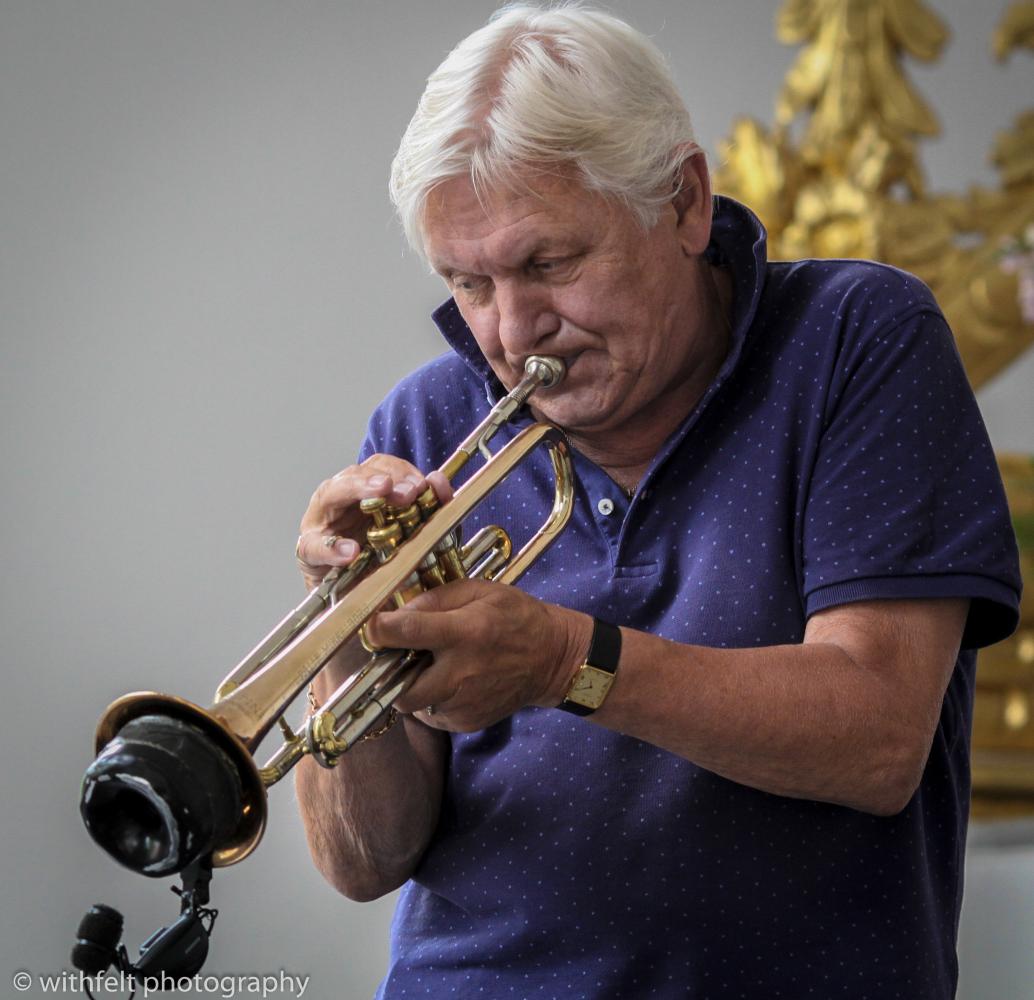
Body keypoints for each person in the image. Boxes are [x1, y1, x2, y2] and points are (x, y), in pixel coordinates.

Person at [293, 5, 1021, 997]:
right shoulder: (424, 422)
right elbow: (363, 862)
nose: (509, 330)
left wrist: (562, 658)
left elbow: (878, 735)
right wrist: (341, 633)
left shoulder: (855, 338)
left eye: (546, 263)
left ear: (681, 202)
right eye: (468, 282)